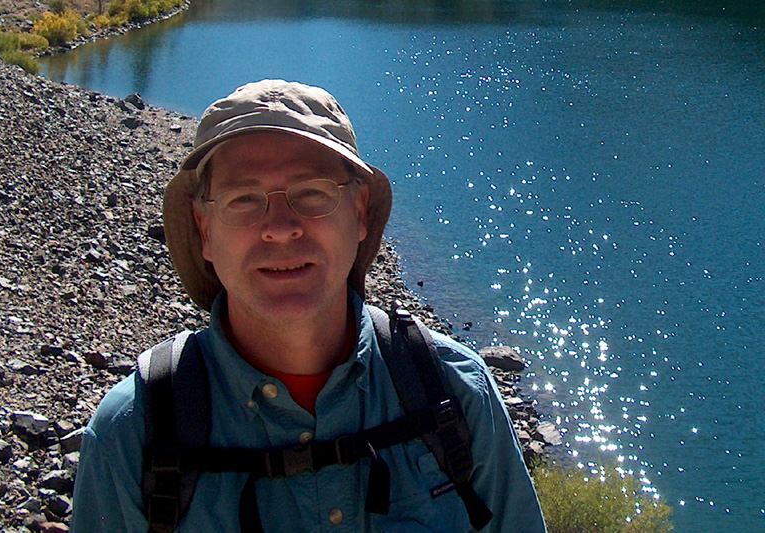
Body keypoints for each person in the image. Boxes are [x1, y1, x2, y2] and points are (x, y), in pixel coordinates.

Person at [71, 79, 546, 532]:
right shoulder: (133, 435)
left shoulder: (453, 392)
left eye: (312, 194)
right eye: (243, 200)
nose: (280, 227)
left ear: (359, 213)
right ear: (204, 231)